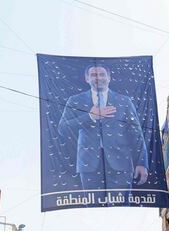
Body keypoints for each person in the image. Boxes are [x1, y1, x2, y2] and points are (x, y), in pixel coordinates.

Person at [58, 64, 150, 192]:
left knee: (121, 207)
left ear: (109, 77)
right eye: (93, 75)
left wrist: (142, 163)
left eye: (102, 74)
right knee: (91, 209)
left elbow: (136, 133)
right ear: (87, 79)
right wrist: (90, 116)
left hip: (121, 164)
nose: (98, 78)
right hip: (88, 165)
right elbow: (62, 128)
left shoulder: (124, 101)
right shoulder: (75, 101)